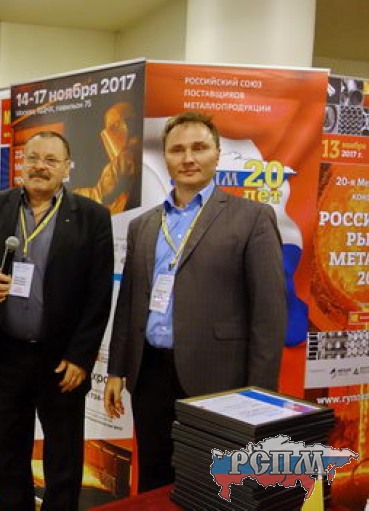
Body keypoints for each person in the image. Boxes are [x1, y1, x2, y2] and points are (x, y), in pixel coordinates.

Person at [103, 111, 287, 492]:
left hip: (218, 378)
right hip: (149, 374)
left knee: (213, 486)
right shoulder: (143, 225)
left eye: (199, 148)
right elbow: (129, 302)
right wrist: (117, 370)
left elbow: (269, 315)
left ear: (217, 154)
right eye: (177, 150)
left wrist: (260, 396)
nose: (188, 158)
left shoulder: (252, 218)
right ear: (165, 158)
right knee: (155, 480)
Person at [0, 131, 114, 510]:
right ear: (21, 163)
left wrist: (80, 357)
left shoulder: (92, 216)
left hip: (61, 361)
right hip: (7, 353)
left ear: (67, 168)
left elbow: (99, 294)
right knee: (6, 455)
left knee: (63, 459)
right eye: (32, 158)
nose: (40, 167)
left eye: (51, 160)